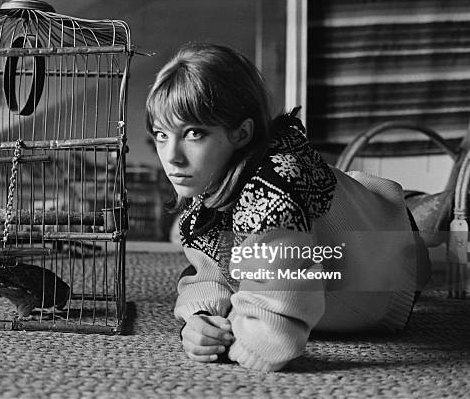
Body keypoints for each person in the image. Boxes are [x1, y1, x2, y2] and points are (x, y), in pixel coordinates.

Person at [145, 42, 431, 372]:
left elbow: (276, 334)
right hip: (351, 217)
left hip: (392, 261)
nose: (171, 157)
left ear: (242, 133)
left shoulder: (271, 191)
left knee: (432, 251)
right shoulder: (211, 179)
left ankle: (427, 207)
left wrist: (231, 342)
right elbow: (210, 274)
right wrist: (200, 320)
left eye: (194, 133)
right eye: (161, 134)